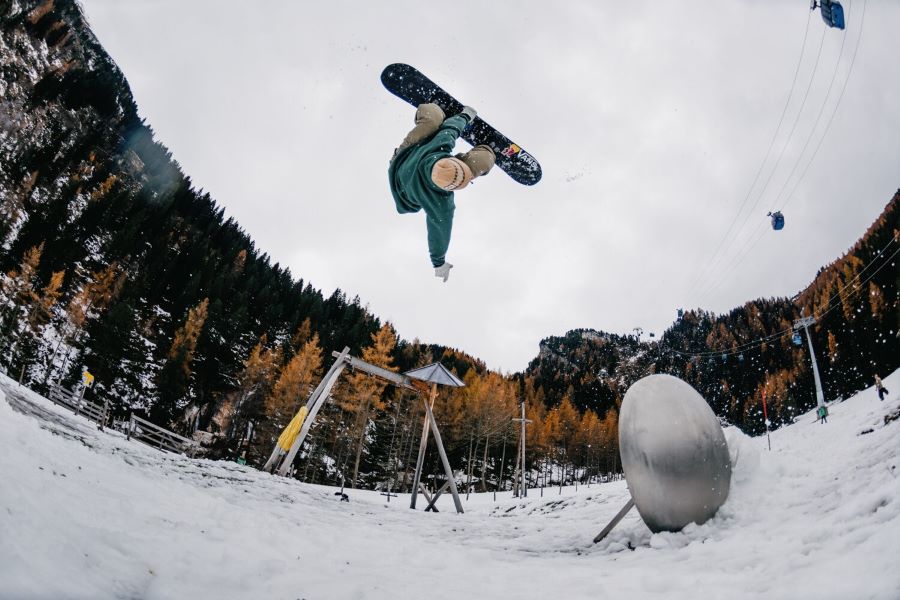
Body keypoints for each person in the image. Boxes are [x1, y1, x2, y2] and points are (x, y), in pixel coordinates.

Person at [388, 103, 496, 282]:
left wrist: (464, 117)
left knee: (435, 121)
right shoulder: (438, 202)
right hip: (405, 175)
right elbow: (439, 232)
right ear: (446, 190)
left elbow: (451, 128)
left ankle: (435, 110)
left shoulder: (441, 144)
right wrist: (438, 263)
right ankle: (487, 149)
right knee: (481, 160)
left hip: (412, 155)